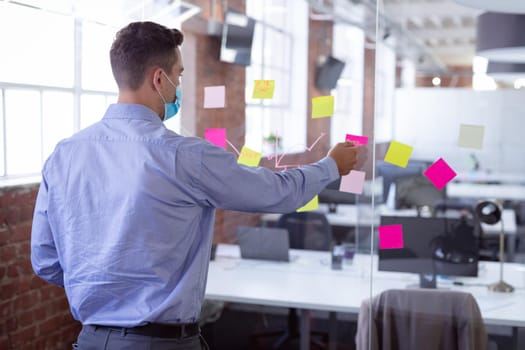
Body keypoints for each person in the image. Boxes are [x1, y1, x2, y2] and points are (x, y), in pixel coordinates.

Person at [31, 21, 365, 350]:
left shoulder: (64, 155)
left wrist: (107, 283)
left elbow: (46, 260)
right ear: (158, 79)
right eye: (178, 75)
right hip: (160, 344)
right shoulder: (183, 156)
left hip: (90, 340)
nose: (178, 86)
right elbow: (279, 193)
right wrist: (330, 166)